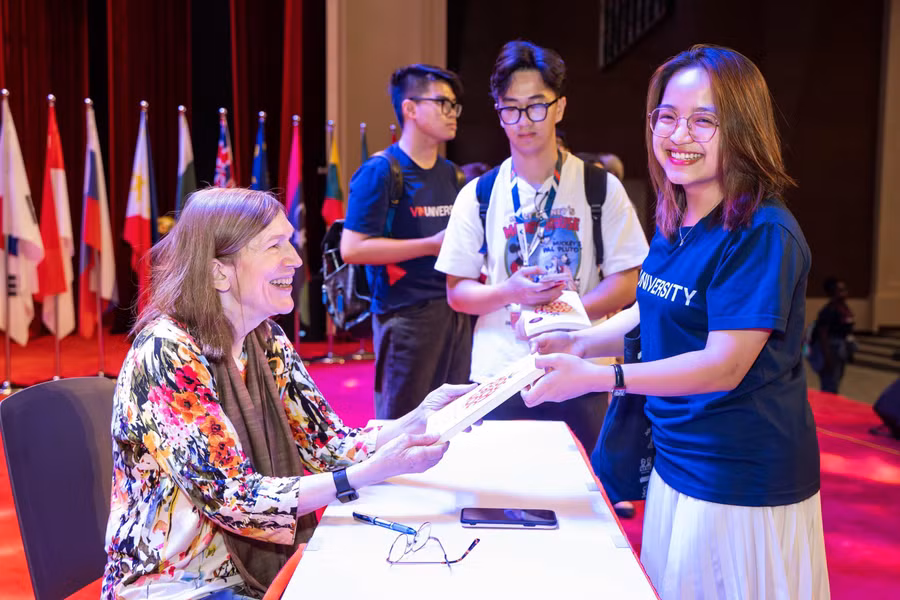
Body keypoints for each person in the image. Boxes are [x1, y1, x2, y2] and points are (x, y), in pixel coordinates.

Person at [523, 45, 829, 598]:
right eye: (667, 116)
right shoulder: (678, 210)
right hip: (674, 454)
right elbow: (655, 303)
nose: (678, 134)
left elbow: (722, 366)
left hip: (739, 475)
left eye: (703, 120)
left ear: (742, 127)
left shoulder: (762, 232)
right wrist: (582, 338)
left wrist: (599, 376)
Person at [103, 188, 474, 600]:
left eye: (290, 242)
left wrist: (417, 418)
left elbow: (326, 447)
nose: (296, 260)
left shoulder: (266, 341)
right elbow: (233, 498)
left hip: (241, 578)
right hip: (175, 586)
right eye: (274, 246)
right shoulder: (165, 353)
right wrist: (364, 474)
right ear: (218, 273)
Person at [435, 41, 648, 453]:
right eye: (511, 109)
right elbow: (457, 293)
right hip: (497, 372)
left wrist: (564, 317)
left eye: (536, 106)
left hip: (578, 367)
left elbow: (627, 281)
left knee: (579, 497)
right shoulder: (479, 194)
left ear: (560, 107)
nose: (523, 121)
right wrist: (510, 292)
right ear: (498, 113)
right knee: (498, 494)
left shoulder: (599, 187)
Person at [342, 64, 472, 420]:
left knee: (454, 419)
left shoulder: (452, 174)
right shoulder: (382, 171)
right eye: (443, 103)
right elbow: (352, 248)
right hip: (405, 316)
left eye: (455, 105)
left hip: (454, 312)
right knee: (403, 422)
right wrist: (431, 245)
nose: (452, 113)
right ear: (410, 109)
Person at [811, 276, 856, 393]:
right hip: (832, 349)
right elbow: (823, 334)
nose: (845, 293)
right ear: (832, 293)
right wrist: (827, 357)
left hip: (841, 348)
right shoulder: (828, 311)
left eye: (845, 290)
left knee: (836, 381)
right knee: (829, 384)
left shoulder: (844, 308)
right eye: (841, 290)